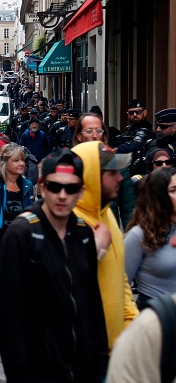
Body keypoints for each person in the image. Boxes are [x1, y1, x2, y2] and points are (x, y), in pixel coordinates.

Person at [0, 148, 108, 382]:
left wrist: (99, 364)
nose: (63, 195)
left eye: (71, 188)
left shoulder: (83, 233)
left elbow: (92, 304)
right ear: (43, 187)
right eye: (55, 187)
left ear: (81, 191)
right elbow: (10, 315)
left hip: (82, 368)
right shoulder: (21, 234)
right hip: (39, 371)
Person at [71, 141, 139, 350]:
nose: (120, 177)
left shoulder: (107, 214)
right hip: (82, 355)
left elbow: (121, 279)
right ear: (91, 177)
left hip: (114, 350)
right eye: (112, 173)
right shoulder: (68, 220)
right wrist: (95, 250)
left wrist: (132, 324)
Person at [72, 113, 136, 230]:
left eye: (99, 130)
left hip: (110, 234)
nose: (95, 135)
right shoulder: (70, 165)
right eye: (89, 131)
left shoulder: (118, 165)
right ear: (79, 136)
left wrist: (130, 237)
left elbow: (129, 208)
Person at [124, 167, 176, 309]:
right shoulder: (139, 234)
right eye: (173, 190)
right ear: (159, 197)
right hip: (156, 317)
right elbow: (120, 286)